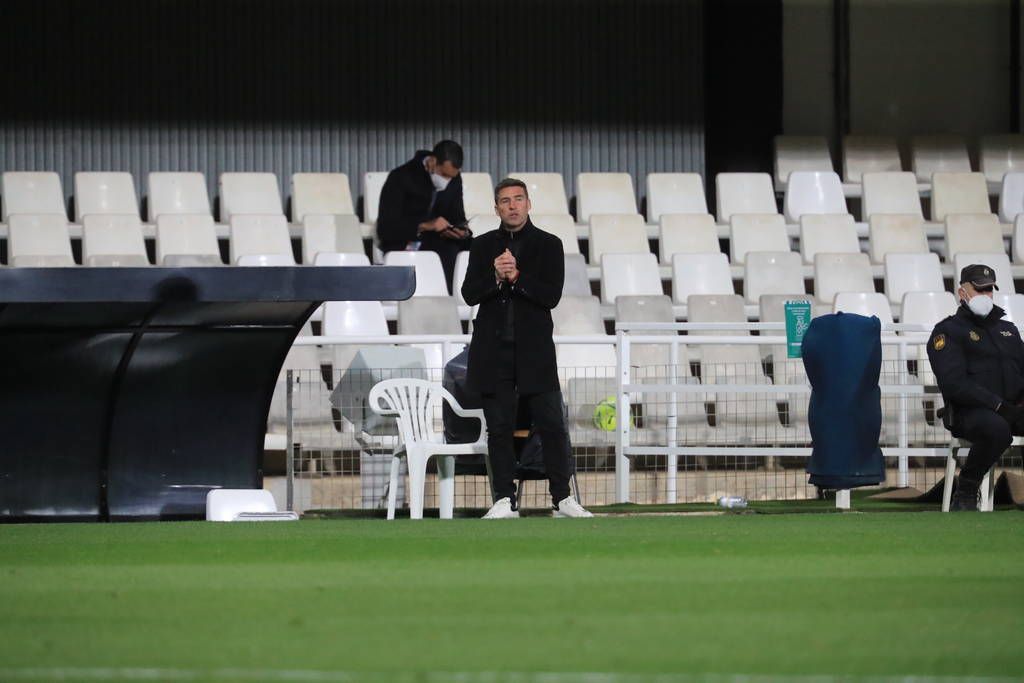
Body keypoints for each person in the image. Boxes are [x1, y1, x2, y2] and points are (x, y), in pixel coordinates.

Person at [460, 178, 592, 519]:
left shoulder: (549, 244)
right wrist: (495, 276)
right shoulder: (483, 245)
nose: (513, 206)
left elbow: (551, 296)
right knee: (499, 427)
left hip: (534, 350)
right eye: (505, 201)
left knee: (552, 424)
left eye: (518, 199)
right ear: (497, 208)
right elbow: (469, 294)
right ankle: (504, 498)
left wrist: (517, 277)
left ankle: (562, 498)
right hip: (493, 349)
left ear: (529, 203)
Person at [927, 264, 1024, 510]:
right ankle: (967, 489)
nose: (986, 295)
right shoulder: (948, 331)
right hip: (969, 412)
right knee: (997, 429)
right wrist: (998, 405)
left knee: (1005, 423)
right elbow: (953, 383)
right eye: (979, 289)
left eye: (990, 289)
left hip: (1011, 408)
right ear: (963, 293)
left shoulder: (1008, 330)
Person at [376, 139, 470, 291]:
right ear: (432, 161)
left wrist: (461, 231)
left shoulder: (454, 180)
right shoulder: (400, 177)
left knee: (470, 248)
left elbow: (457, 216)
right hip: (404, 241)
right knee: (443, 254)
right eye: (444, 175)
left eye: (452, 177)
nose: (447, 181)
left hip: (439, 241)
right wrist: (426, 225)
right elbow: (386, 228)